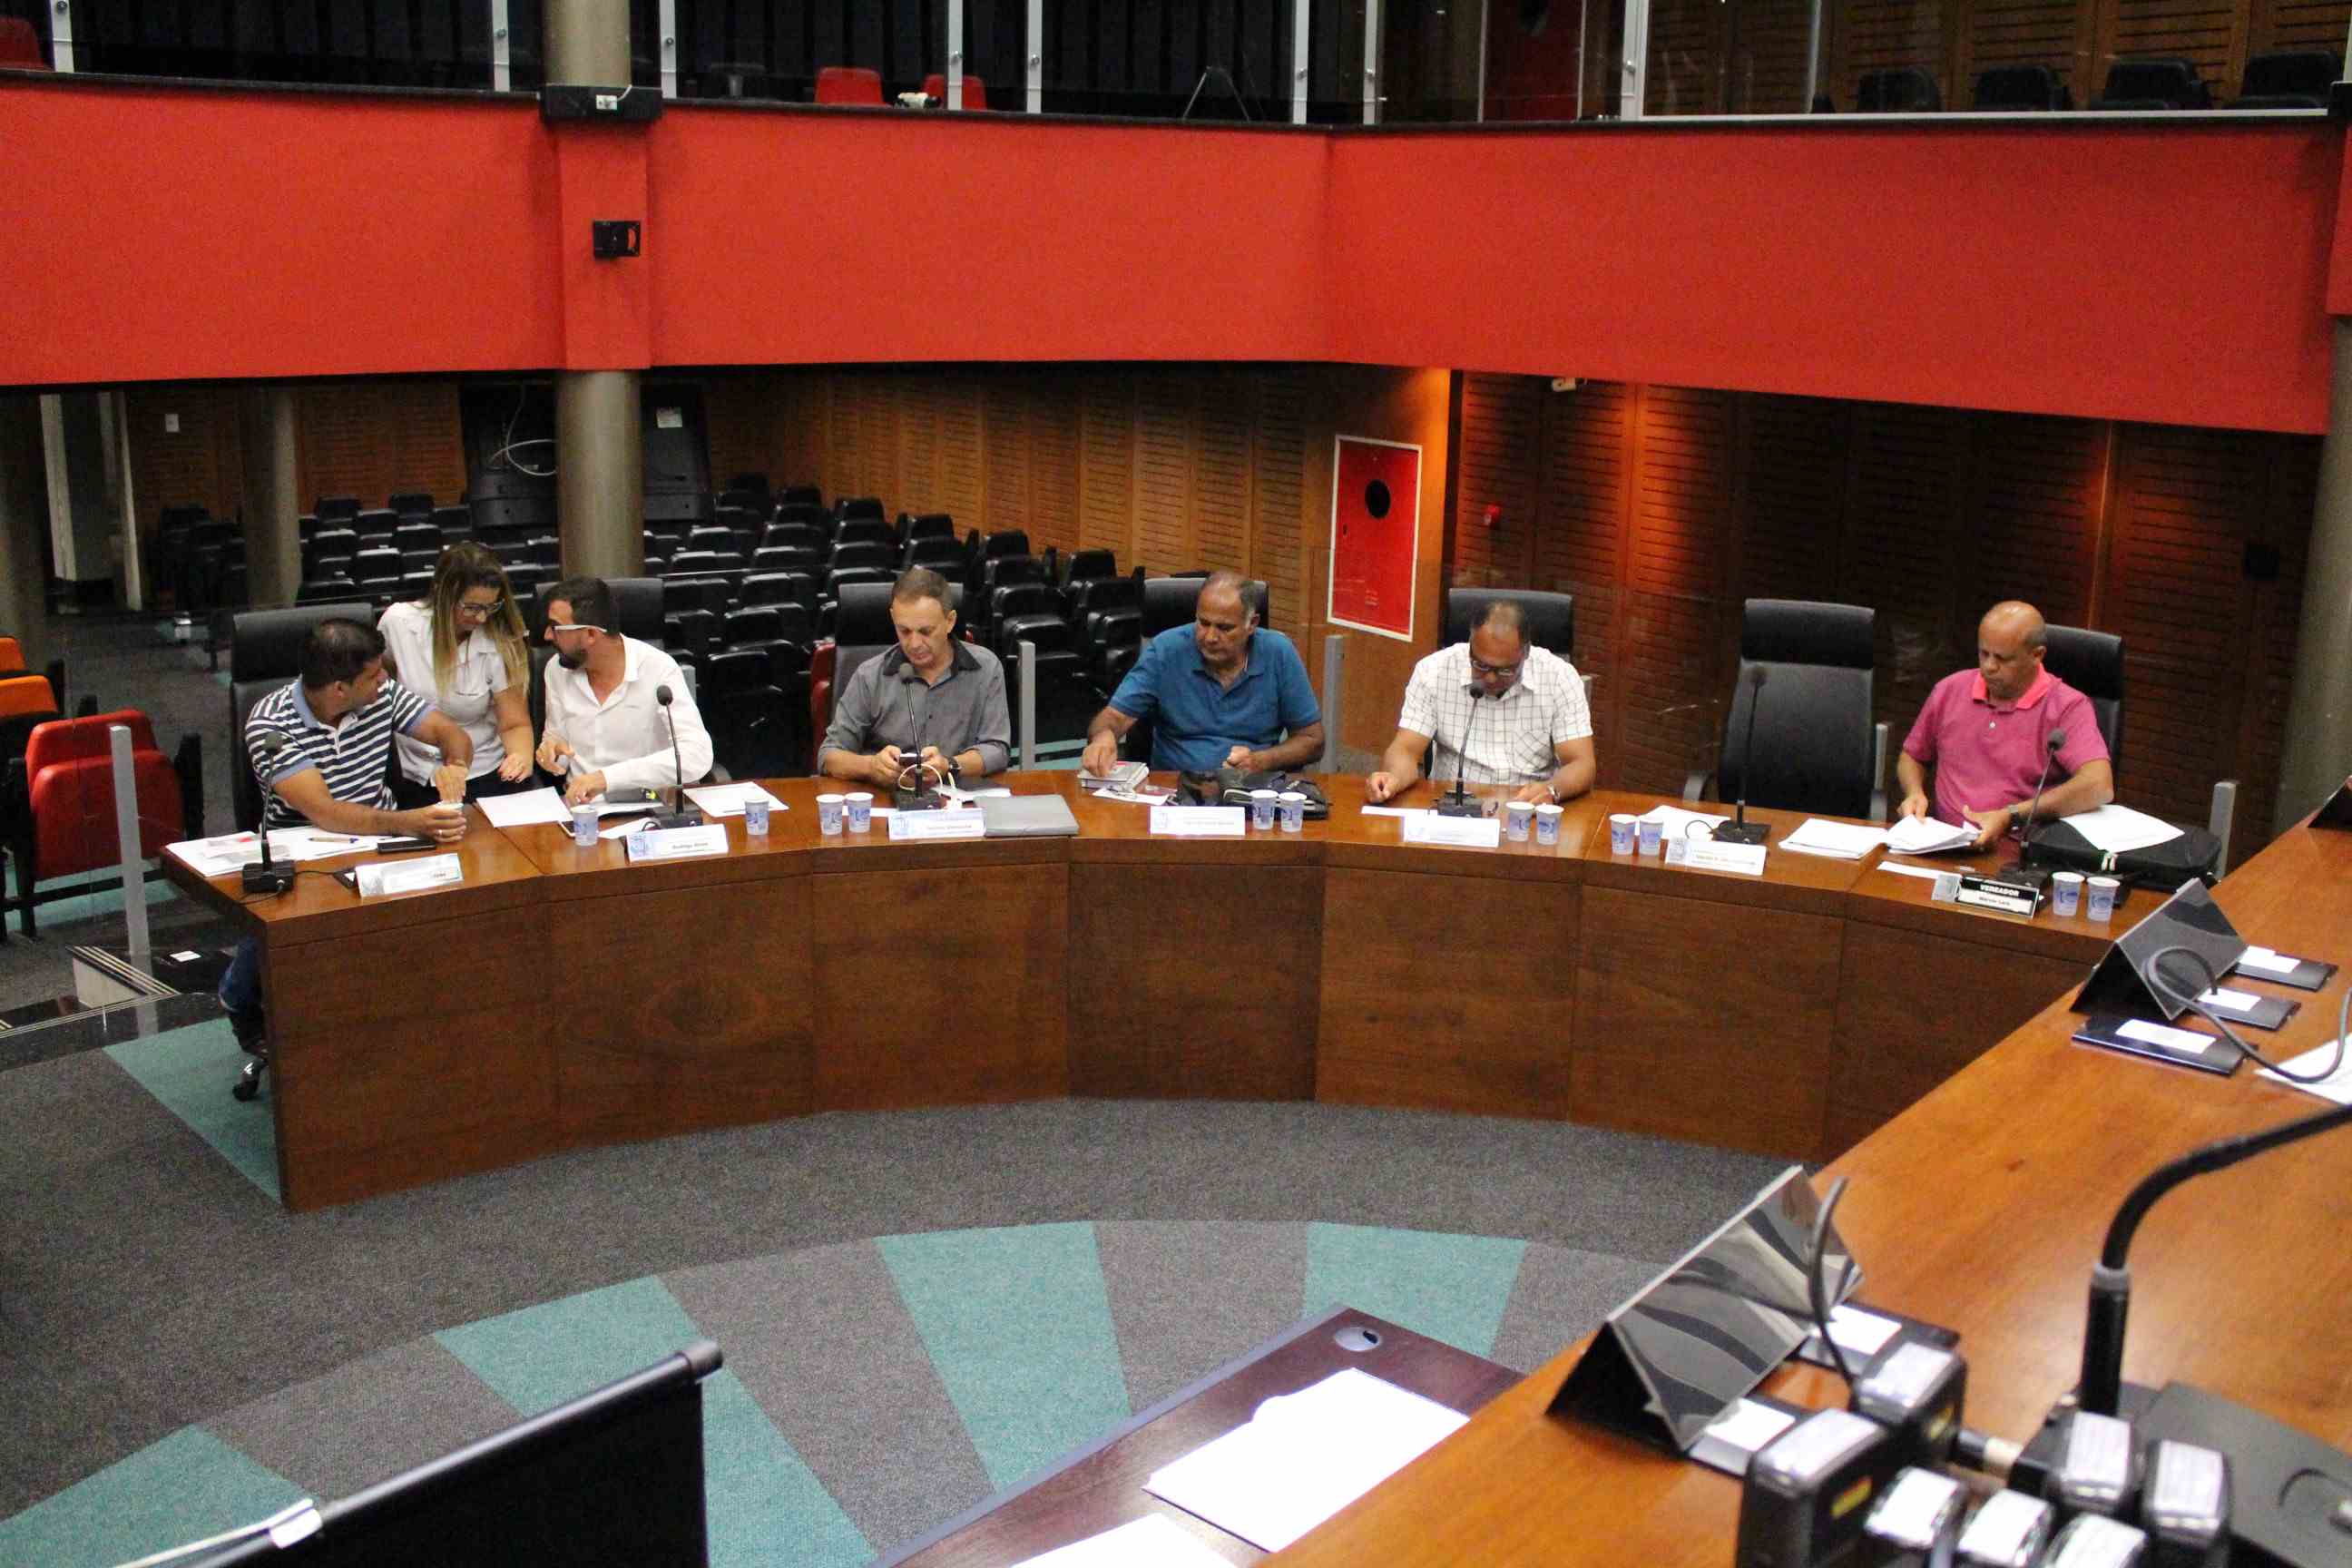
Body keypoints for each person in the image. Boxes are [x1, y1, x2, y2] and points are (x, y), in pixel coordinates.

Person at [221, 617, 474, 1060]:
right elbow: (326, 813)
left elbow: (448, 732)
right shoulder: (270, 724)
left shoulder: (382, 695)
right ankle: (239, 998)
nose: (384, 682)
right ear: (340, 688)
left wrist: (455, 765)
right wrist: (411, 822)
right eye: (374, 676)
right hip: (306, 850)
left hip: (381, 839)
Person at [1897, 599, 2114, 850]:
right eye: (1984, 654)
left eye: (2003, 658)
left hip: (2017, 854)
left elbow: (2099, 786)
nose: (1989, 667)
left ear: (2037, 655)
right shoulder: (1950, 689)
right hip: (1939, 846)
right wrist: (1914, 792)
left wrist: (2011, 816)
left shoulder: (2067, 706)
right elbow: (1912, 756)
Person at [1080, 571, 1324, 775]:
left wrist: (1262, 761)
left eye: (1224, 628)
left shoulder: (1279, 653)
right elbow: (1114, 717)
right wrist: (1103, 737)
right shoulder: (1166, 650)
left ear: (1252, 624)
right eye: (1203, 623)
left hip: (1251, 788)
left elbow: (1312, 741)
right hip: (1173, 788)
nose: (1210, 637)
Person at [1364, 599, 1595, 806]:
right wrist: (1393, 777)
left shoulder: (1559, 677)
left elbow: (1581, 764)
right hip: (1453, 804)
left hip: (1527, 808)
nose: (1491, 678)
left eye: (1505, 670)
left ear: (1525, 653)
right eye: (1481, 665)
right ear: (1471, 645)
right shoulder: (1433, 671)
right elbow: (1405, 749)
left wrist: (1551, 790)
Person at [818, 567, 1012, 787]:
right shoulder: (870, 675)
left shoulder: (985, 668)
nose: (914, 644)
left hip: (958, 796)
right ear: (893, 618)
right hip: (887, 797)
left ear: (950, 621)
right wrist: (870, 767)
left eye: (925, 632)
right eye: (904, 631)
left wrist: (950, 765)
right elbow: (829, 755)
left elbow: (997, 750)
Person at [377, 542, 535, 807]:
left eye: (490, 607)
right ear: (442, 593)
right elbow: (380, 682)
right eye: (471, 607)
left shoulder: (499, 640)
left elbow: (514, 723)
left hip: (481, 774)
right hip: (412, 775)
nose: (482, 618)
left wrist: (520, 756)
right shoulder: (398, 623)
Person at [535, 575, 713, 807]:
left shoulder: (658, 669)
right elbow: (558, 742)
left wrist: (607, 779)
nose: (547, 636)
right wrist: (552, 752)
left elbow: (696, 755)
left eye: (555, 627)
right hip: (581, 809)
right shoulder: (557, 669)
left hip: (648, 806)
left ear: (591, 634)